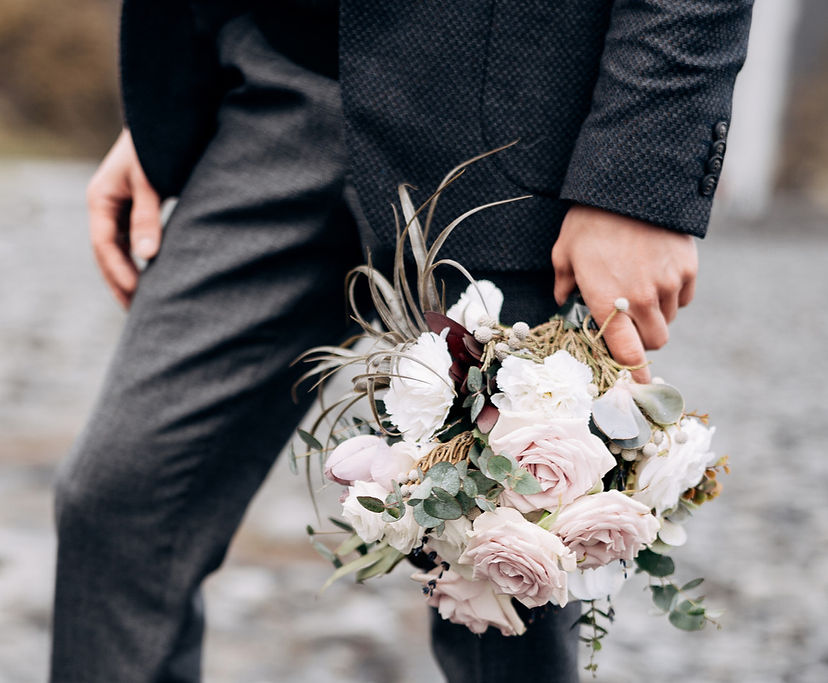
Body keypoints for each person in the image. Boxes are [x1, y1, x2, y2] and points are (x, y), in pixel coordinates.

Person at [50, 1, 754, 681]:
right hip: (270, 85)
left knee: (512, 584)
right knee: (119, 500)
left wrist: (636, 172)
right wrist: (165, 100)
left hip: (511, 119)